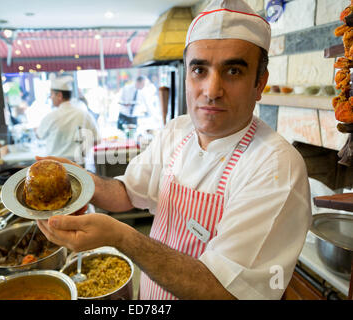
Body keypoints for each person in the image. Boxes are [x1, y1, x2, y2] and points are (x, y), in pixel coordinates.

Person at [37, 0, 311, 300]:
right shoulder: (177, 131)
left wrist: (122, 237)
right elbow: (126, 192)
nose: (211, 90)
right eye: (199, 70)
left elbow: (224, 291)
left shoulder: (275, 167)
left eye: (233, 71)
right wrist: (77, 179)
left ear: (259, 83)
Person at [36, 76, 100, 165]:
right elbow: (97, 140)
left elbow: (39, 135)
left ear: (59, 95)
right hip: (79, 166)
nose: (50, 97)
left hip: (56, 166)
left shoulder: (51, 116)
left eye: (51, 94)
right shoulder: (85, 114)